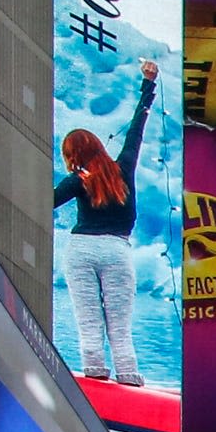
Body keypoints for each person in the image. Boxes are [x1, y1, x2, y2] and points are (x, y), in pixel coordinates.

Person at [52, 57, 155, 384]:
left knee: (89, 322)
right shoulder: (123, 166)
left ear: (72, 156)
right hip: (116, 249)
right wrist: (148, 85)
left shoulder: (77, 179)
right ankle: (127, 375)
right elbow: (137, 128)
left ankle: (95, 374)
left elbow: (47, 202)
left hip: (80, 249)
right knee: (119, 327)